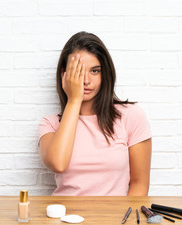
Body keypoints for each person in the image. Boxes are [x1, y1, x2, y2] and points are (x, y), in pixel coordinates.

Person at [38, 31, 152, 196]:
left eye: (94, 71)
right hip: (63, 218)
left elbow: (139, 184)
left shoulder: (131, 116)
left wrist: (123, 220)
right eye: (78, 72)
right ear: (64, 75)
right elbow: (58, 164)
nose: (86, 80)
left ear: (104, 74)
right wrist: (74, 100)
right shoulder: (50, 124)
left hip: (112, 219)